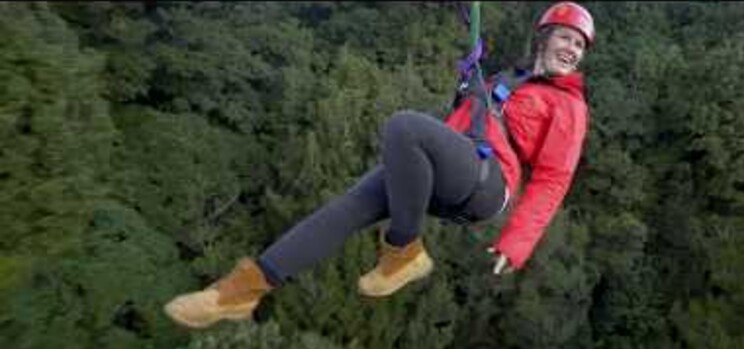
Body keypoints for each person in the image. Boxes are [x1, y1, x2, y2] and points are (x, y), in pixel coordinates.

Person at [164, 2, 595, 329]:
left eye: (579, 45)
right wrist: (468, 87)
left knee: (404, 127)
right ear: (544, 38)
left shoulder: (569, 106)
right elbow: (464, 123)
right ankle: (242, 291)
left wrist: (516, 243)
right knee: (348, 207)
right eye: (566, 38)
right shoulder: (507, 78)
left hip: (487, 183)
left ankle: (402, 252)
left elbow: (554, 179)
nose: (572, 50)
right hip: (455, 165)